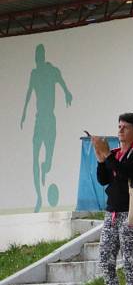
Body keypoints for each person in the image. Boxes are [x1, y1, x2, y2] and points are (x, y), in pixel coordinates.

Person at [90, 113, 133, 285]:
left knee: (130, 260)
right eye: (119, 126)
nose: (120, 130)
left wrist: (108, 157)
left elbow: (126, 173)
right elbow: (104, 179)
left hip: (131, 212)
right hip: (111, 213)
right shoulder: (114, 153)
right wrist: (100, 160)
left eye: (125, 127)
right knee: (105, 259)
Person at [20, 44, 73, 212]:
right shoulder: (34, 74)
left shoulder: (52, 71)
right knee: (34, 157)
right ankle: (39, 197)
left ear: (42, 56)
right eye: (36, 56)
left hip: (50, 120)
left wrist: (67, 93)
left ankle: (46, 167)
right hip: (39, 120)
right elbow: (29, 93)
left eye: (39, 55)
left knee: (47, 161)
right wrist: (23, 113)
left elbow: (63, 85)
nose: (37, 59)